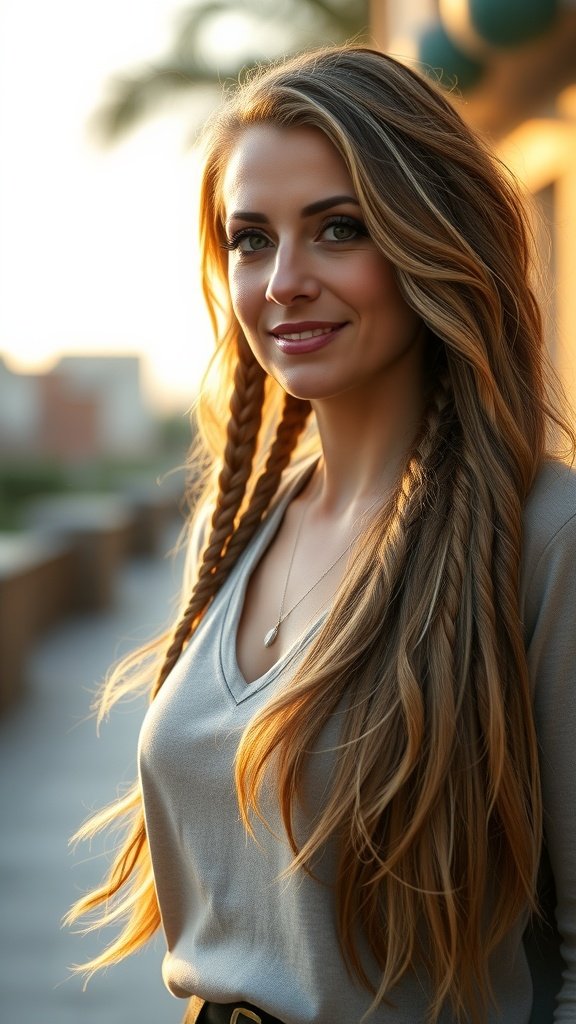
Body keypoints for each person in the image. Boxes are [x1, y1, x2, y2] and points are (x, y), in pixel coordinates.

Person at [67, 46, 576, 1024]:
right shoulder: (236, 527)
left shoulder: (546, 540)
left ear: (433, 240)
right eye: (251, 240)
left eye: (338, 229)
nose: (284, 280)